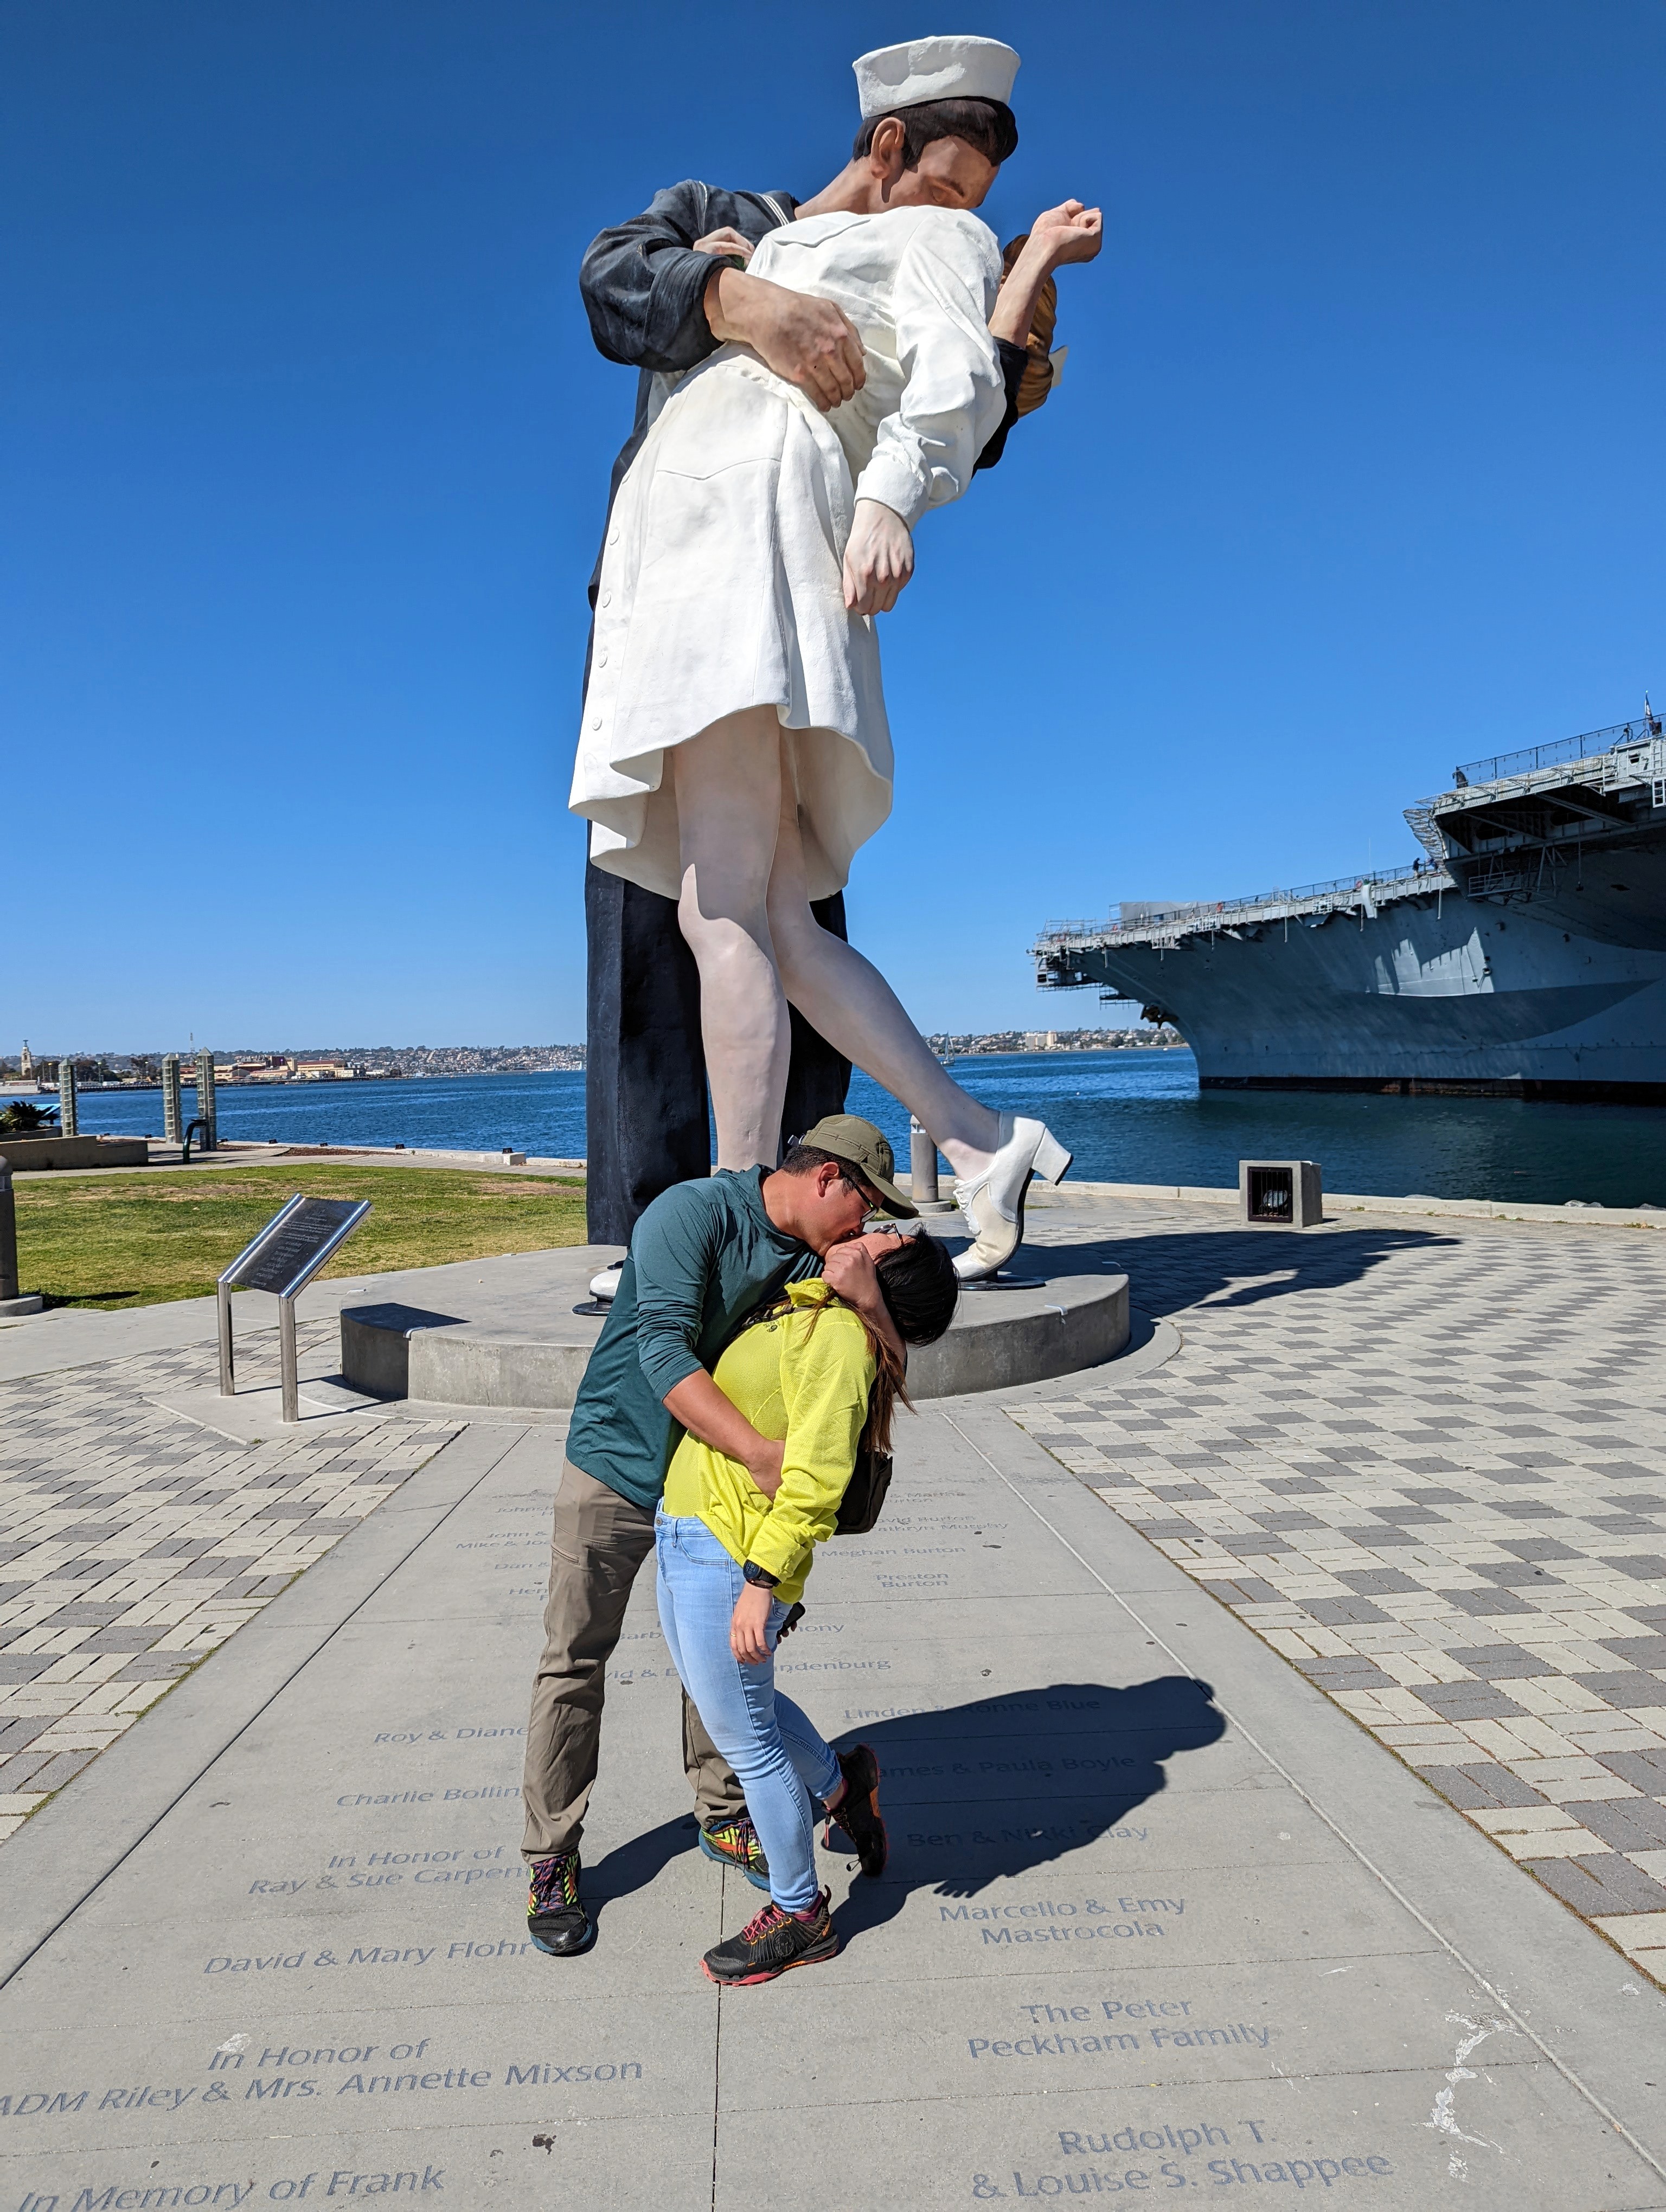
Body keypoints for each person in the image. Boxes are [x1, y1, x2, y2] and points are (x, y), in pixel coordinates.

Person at [577, 35, 1102, 1258]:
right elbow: (612, 278)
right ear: (887, 147)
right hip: (696, 551)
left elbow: (961, 390)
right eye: (955, 178)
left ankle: (727, 1225)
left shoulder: (934, 237)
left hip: (741, 534)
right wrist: (734, 287)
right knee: (766, 917)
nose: (968, 207)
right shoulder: (737, 222)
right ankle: (975, 1144)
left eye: (980, 197)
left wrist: (889, 499)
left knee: (722, 910)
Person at [521, 1114, 916, 1958]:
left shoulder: (819, 1256)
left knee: (713, 1667)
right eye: (866, 1203)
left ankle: (723, 1814)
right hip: (618, 1468)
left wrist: (870, 1292)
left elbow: (883, 1367)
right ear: (827, 1179)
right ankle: (552, 1856)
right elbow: (663, 1351)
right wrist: (766, 1457)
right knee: (574, 1660)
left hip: (717, 1499)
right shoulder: (693, 1213)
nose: (868, 1223)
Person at [656, 1220, 958, 1984]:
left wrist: (762, 1584)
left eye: (892, 1239)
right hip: (693, 1528)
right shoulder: (809, 1308)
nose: (881, 1227)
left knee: (748, 1745)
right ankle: (841, 1784)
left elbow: (816, 1483)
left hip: (731, 1550)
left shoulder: (840, 1343)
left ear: (883, 1280)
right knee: (738, 1713)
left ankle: (801, 1915)